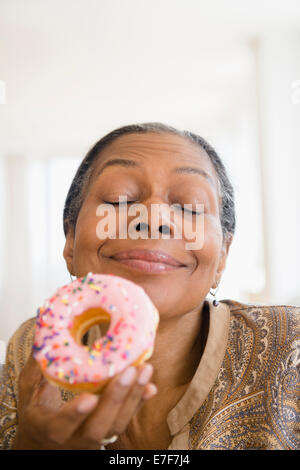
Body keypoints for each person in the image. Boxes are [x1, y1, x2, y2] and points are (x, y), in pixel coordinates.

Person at [0, 123, 299, 450]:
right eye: (118, 199)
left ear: (223, 255)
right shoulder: (30, 350)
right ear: (70, 241)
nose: (154, 218)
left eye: (189, 205)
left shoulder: (291, 347)